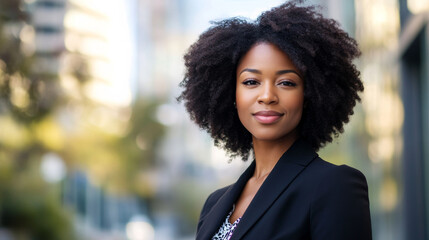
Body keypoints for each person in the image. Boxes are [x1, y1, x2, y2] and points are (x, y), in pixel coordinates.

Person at [178, 1, 372, 239]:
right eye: (251, 82)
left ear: (308, 95)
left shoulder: (334, 186)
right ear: (232, 95)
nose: (267, 96)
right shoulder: (214, 204)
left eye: (286, 83)